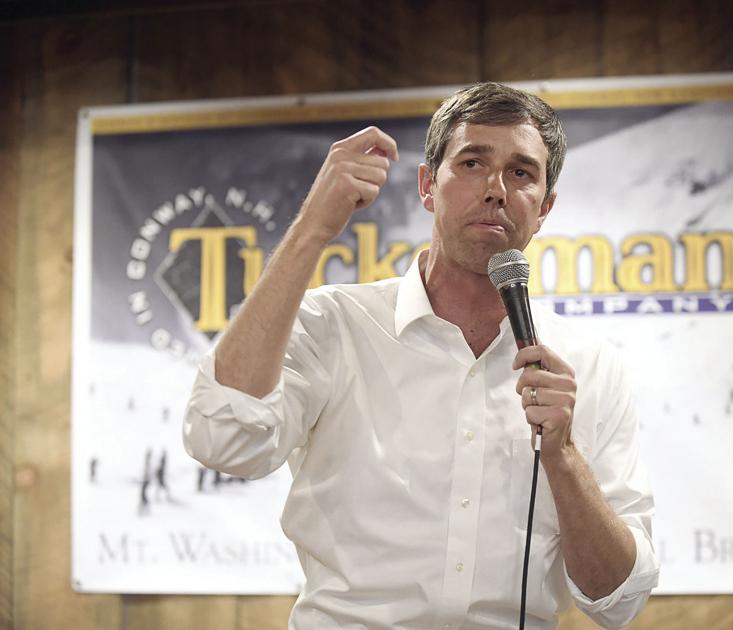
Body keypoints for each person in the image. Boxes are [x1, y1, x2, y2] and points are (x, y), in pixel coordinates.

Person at [183, 82, 659, 629]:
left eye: (521, 172)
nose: (496, 189)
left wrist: (564, 455)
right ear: (428, 185)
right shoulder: (335, 324)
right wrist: (313, 228)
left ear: (545, 208)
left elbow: (618, 600)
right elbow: (222, 438)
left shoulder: (589, 365)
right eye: (473, 162)